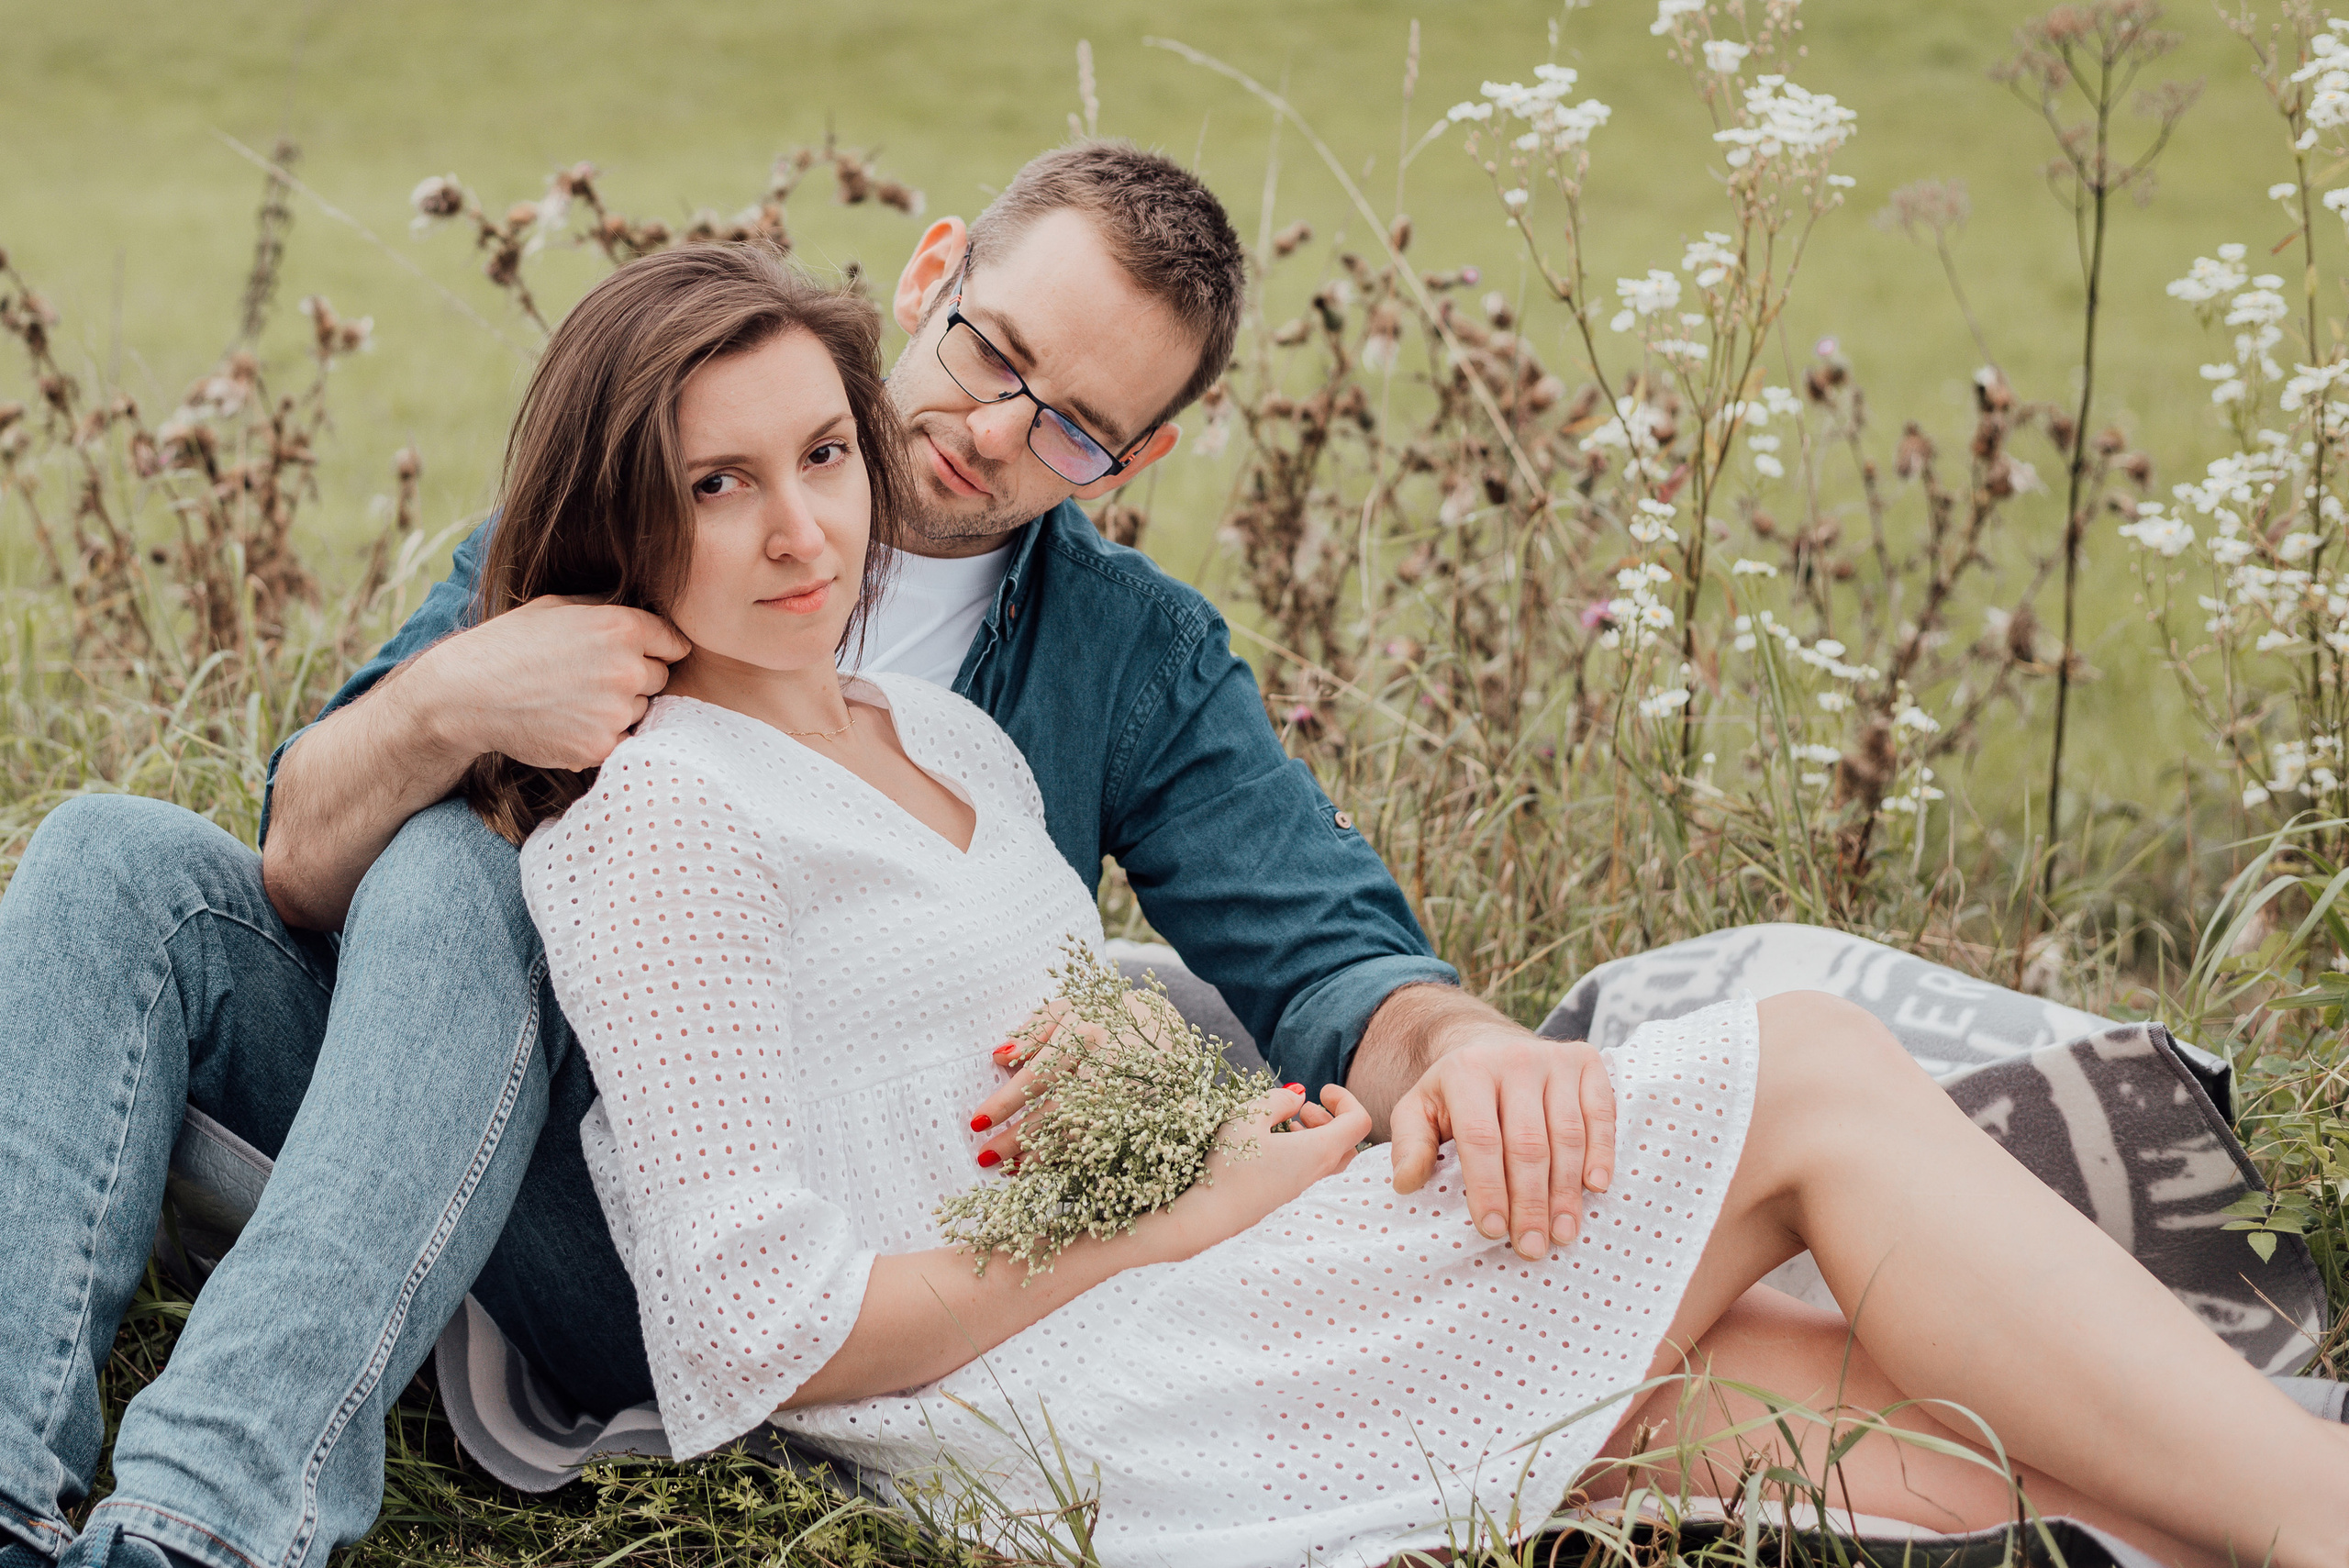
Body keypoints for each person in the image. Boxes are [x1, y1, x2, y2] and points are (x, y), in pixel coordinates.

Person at [497, 242, 2346, 1568]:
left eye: (815, 457)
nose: (802, 532)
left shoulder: (936, 741)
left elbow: (1015, 1077)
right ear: (618, 513)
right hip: (1078, 1392)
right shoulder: (657, 817)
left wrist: (1205, 1122)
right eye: (713, 487)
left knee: (1917, 1426)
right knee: (1800, 1068)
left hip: (1218, 1270)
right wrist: (1166, 1227)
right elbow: (755, 1340)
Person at [0, 143, 1620, 1568]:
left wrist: (1461, 1044)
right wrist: (459, 693)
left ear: (1130, 468)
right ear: (934, 273)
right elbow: (296, 865)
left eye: (1071, 431)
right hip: (435, 1100)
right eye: (990, 351)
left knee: (454, 871)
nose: (992, 430)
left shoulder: (1132, 657)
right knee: (115, 861)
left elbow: (1331, 958)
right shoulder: (635, 503)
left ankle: (198, 1531)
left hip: (713, 1245)